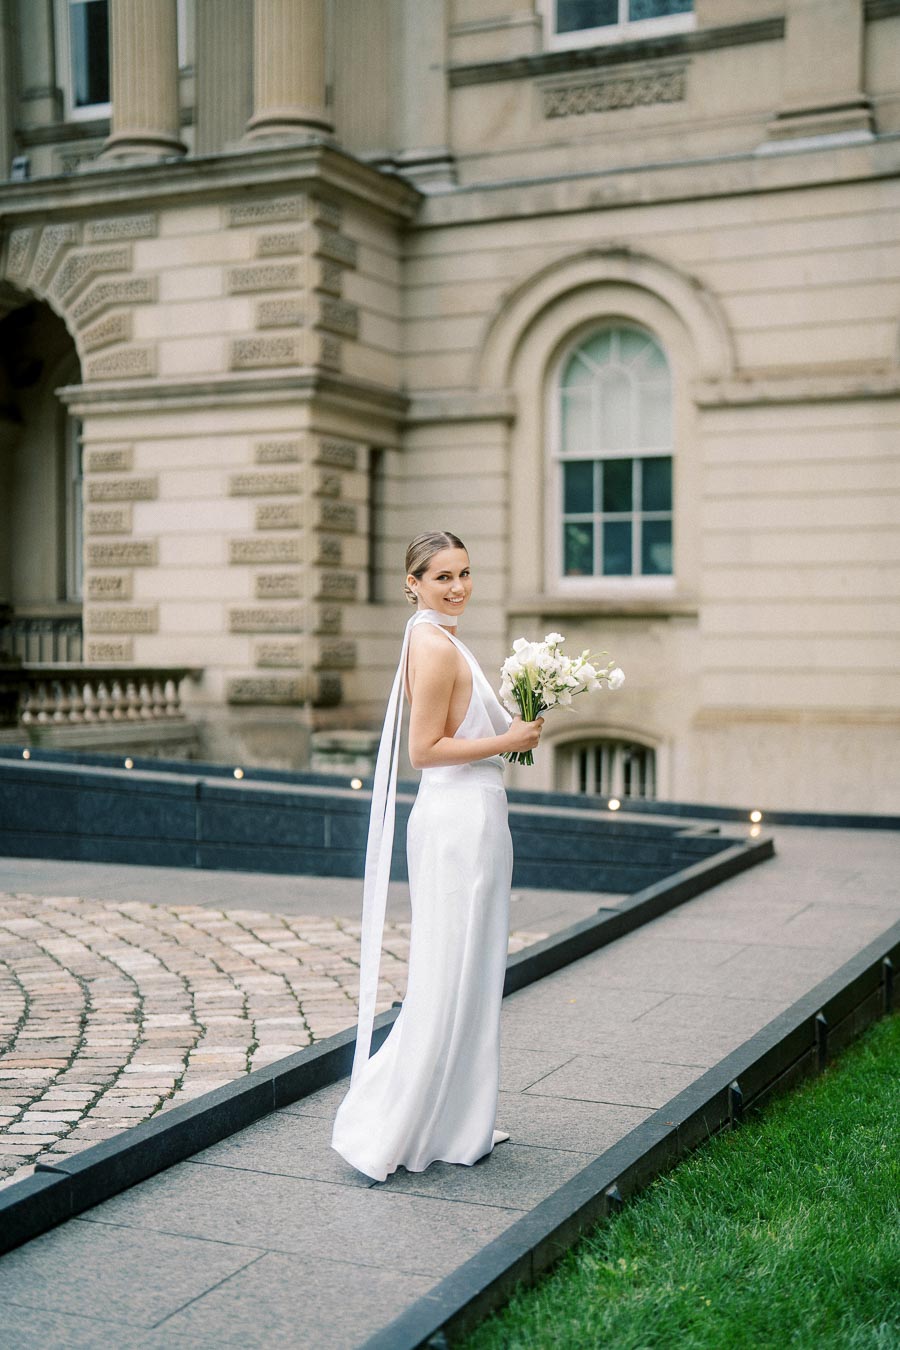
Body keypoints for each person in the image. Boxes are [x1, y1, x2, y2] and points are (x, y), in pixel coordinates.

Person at [331, 530, 544, 1182]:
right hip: (457, 822)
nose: (457, 587)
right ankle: (411, 1121)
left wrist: (512, 728)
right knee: (450, 973)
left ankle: (456, 1118)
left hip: (468, 816)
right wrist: (508, 737)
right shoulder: (430, 645)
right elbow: (424, 750)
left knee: (468, 970)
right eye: (442, 576)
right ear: (413, 584)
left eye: (464, 573)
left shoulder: (438, 638)